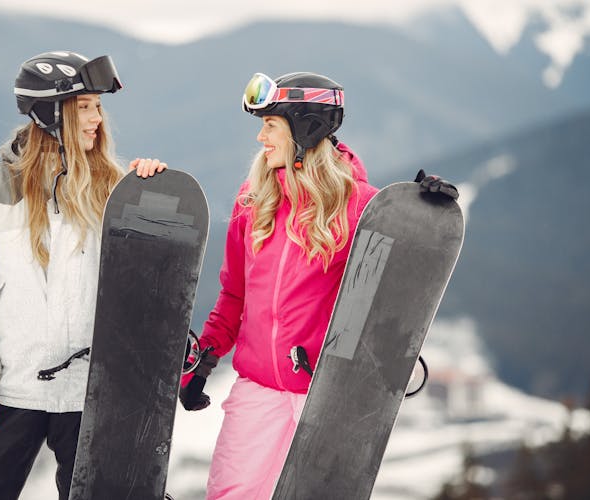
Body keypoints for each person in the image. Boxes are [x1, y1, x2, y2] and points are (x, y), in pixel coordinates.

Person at [179, 71, 458, 499]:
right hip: (258, 392)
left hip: (325, 398)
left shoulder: (363, 208)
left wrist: (420, 214)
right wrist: (206, 358)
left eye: (270, 125)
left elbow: (393, 304)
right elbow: (234, 295)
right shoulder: (252, 201)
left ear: (304, 129)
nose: (261, 138)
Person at [0, 51, 166, 500]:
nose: (97, 119)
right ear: (50, 112)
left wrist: (150, 189)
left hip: (89, 394)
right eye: (85, 107)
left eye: (98, 107)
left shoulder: (114, 188)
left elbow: (143, 285)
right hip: (14, 388)